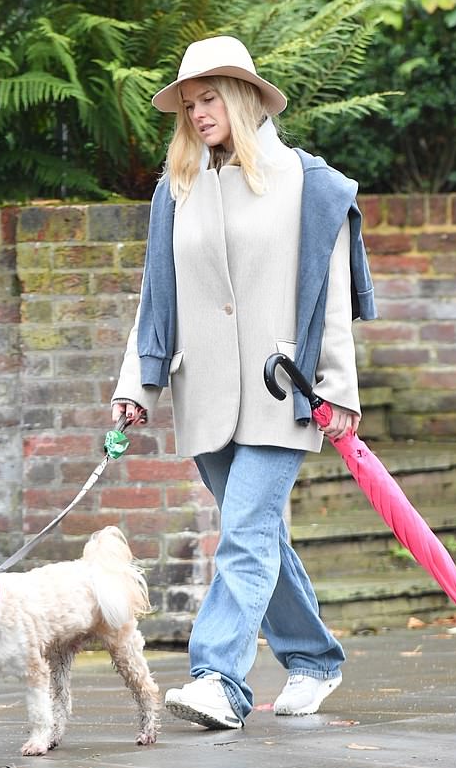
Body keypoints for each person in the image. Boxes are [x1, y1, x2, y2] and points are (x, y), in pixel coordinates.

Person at [111, 35, 377, 730]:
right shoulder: (178, 190)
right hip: (202, 393)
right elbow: (154, 298)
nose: (198, 114)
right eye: (189, 104)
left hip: (281, 388)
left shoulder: (308, 183)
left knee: (245, 532)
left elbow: (329, 294)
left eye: (209, 99)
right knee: (254, 532)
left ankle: (219, 679)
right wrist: (136, 387)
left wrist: (338, 389)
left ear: (244, 96)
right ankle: (315, 657)